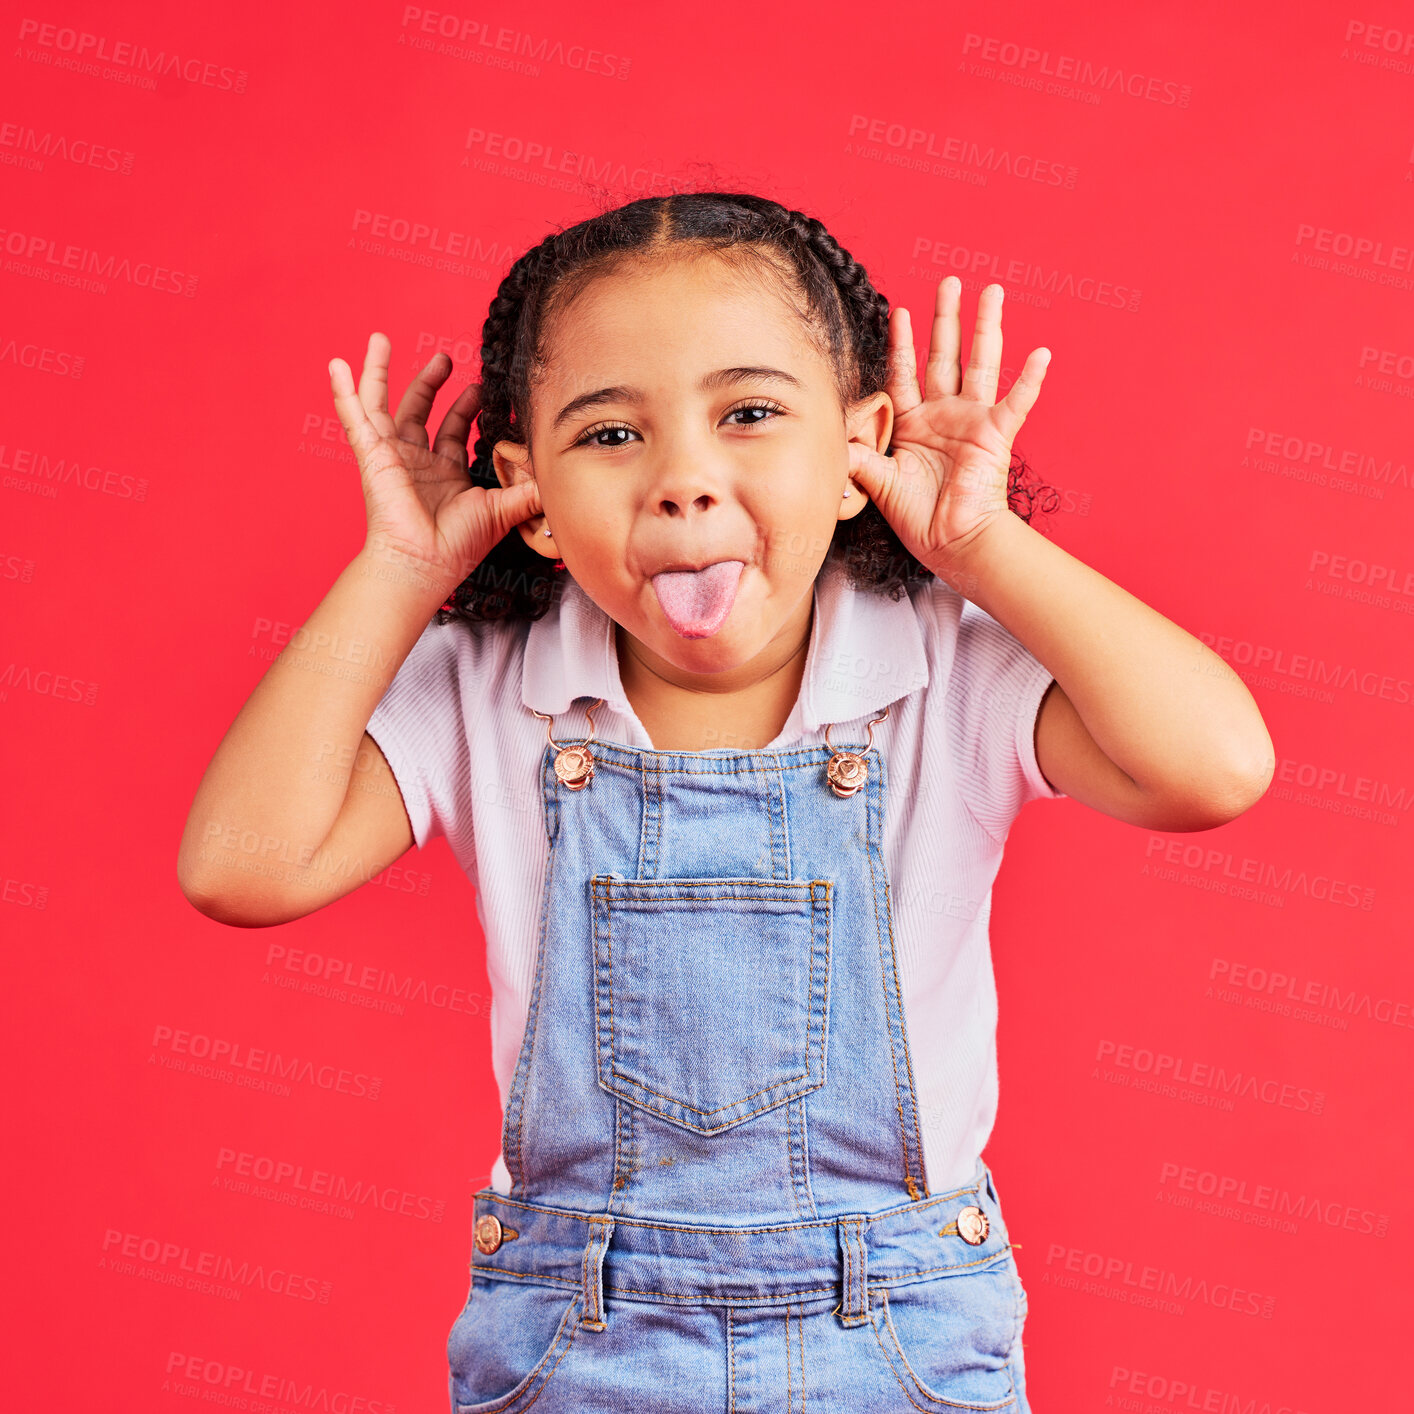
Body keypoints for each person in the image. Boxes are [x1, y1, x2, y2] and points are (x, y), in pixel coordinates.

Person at [178, 192, 1275, 1413]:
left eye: (748, 414)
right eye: (609, 437)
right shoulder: (490, 687)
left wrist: (981, 548)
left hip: (900, 1335)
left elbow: (1214, 767)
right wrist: (397, 571)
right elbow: (240, 865)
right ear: (524, 489)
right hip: (578, 1339)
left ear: (860, 451)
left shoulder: (947, 664)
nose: (685, 481)